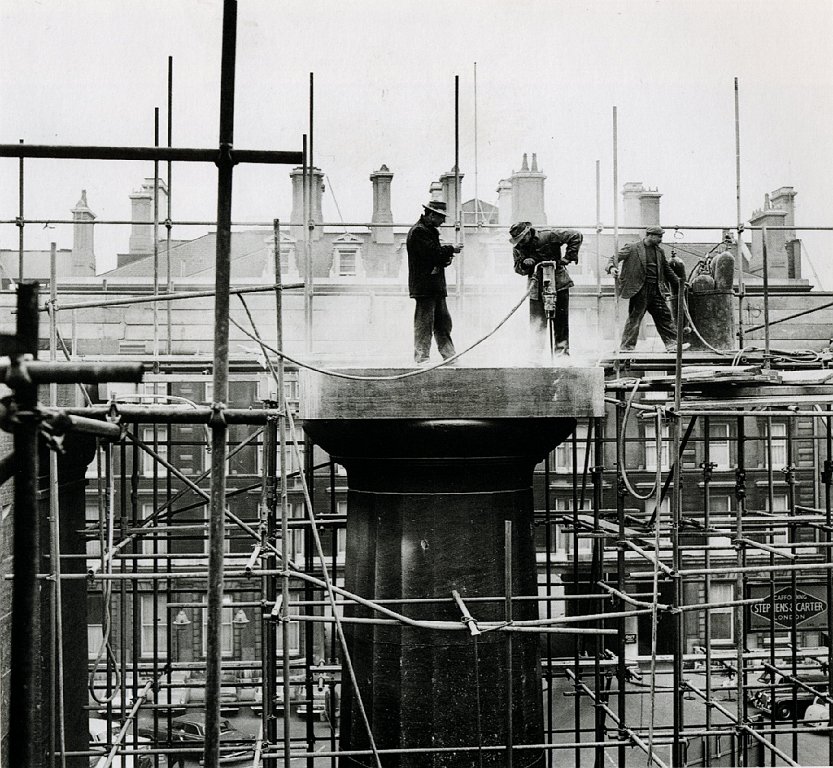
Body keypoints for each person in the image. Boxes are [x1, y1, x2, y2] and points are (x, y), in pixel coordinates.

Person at [606, 225, 683, 352]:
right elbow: (614, 258)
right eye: (659, 237)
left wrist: (679, 282)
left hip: (656, 289)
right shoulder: (632, 247)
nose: (661, 240)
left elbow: (667, 269)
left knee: (664, 315)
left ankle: (673, 344)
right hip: (639, 289)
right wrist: (611, 268)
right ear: (650, 235)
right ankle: (627, 347)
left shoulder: (659, 251)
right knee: (635, 318)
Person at [510, 221, 582, 356]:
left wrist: (568, 257)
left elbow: (575, 235)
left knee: (561, 322)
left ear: (528, 233)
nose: (521, 243)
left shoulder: (548, 235)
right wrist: (525, 265)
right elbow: (518, 269)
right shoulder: (518, 247)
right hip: (535, 287)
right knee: (537, 323)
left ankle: (562, 355)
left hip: (559, 284)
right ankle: (535, 357)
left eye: (522, 239)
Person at [407, 200, 463, 364]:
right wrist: (451, 249)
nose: (443, 222)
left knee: (443, 322)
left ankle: (449, 356)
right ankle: (422, 358)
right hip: (426, 286)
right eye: (441, 217)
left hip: (434, 286)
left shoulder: (427, 230)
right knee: (425, 323)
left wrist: (445, 255)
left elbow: (434, 256)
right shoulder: (419, 232)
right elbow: (433, 254)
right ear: (431, 215)